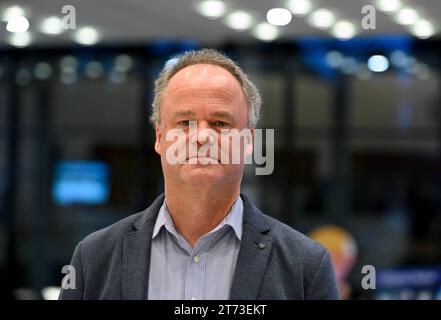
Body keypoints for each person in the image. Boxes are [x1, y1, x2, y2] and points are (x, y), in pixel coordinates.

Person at [59, 49, 339, 300]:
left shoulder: (305, 266)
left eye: (220, 123)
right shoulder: (93, 258)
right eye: (185, 122)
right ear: (159, 137)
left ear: (249, 141)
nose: (202, 136)